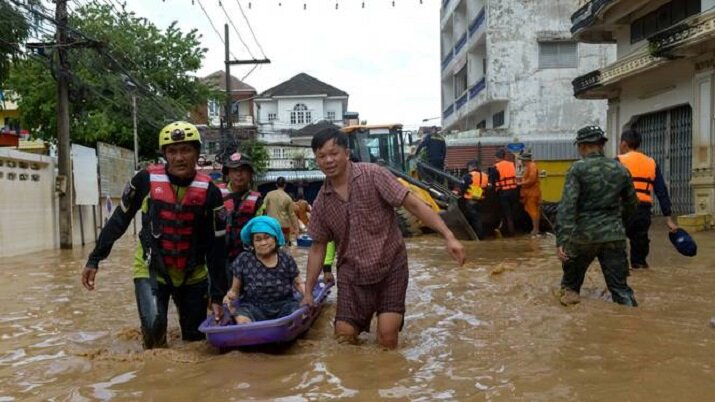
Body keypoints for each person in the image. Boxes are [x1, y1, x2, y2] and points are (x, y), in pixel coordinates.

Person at [302, 127, 465, 349]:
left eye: (334, 153)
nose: (329, 160)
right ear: (316, 161)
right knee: (343, 339)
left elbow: (413, 204)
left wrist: (448, 236)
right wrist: (308, 291)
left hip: (391, 267)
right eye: (322, 156)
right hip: (352, 275)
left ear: (346, 153)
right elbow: (317, 248)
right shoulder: (321, 202)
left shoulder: (374, 175)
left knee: (387, 339)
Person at [81, 121, 228, 349]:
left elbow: (217, 246)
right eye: (173, 151)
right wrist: (95, 258)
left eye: (186, 150)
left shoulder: (212, 193)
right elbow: (119, 220)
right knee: (153, 332)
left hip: (194, 273)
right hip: (151, 268)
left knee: (196, 341)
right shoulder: (144, 181)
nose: (179, 157)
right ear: (165, 155)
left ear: (197, 153)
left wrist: (218, 296)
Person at [556, 125, 639, 307]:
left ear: (583, 146)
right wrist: (619, 225)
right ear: (601, 145)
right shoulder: (620, 169)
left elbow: (567, 207)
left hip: (582, 237)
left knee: (569, 289)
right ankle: (634, 327)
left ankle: (572, 332)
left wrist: (562, 240)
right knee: (621, 290)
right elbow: (633, 204)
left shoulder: (577, 169)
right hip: (614, 236)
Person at [223, 216, 305, 324]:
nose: (263, 243)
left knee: (297, 314)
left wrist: (307, 296)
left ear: (275, 238)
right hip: (254, 307)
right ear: (252, 243)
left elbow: (298, 283)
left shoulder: (286, 258)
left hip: (285, 305)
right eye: (258, 239)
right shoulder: (244, 259)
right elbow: (235, 290)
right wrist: (229, 298)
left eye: (267, 237)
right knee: (241, 317)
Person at [617, 129, 679, 269]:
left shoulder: (618, 161)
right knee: (640, 248)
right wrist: (668, 217)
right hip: (643, 210)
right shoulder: (651, 162)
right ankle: (639, 267)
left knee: (617, 246)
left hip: (623, 208)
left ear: (624, 143)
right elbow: (661, 190)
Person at [219, 152, 262, 264]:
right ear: (228, 173)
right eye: (234, 170)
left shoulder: (258, 201)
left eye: (243, 170)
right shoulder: (216, 193)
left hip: (247, 258)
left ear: (250, 174)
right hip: (218, 257)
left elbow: (261, 232)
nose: (239, 174)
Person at [264, 176, 299, 246]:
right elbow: (292, 215)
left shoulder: (269, 194)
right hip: (284, 226)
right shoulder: (288, 198)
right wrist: (296, 228)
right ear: (285, 185)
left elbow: (263, 208)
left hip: (270, 225)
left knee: (271, 246)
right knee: (284, 248)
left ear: (276, 184)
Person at [492, 148, 518, 236]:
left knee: (507, 214)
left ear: (496, 157)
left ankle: (511, 233)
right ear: (504, 156)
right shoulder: (512, 164)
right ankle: (511, 230)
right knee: (512, 212)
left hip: (504, 193)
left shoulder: (496, 167)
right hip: (514, 191)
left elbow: (493, 181)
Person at [460, 160, 489, 238]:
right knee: (478, 217)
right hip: (481, 200)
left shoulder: (468, 176)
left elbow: (462, 188)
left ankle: (478, 236)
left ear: (470, 167)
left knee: (474, 219)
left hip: (470, 200)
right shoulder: (485, 175)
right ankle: (480, 234)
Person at [518, 149, 541, 237]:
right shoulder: (529, 166)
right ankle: (535, 229)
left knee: (533, 212)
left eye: (522, 160)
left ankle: (535, 230)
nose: (522, 162)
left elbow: (532, 179)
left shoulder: (532, 166)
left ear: (525, 160)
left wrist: (521, 183)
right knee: (533, 211)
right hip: (530, 193)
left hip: (532, 193)